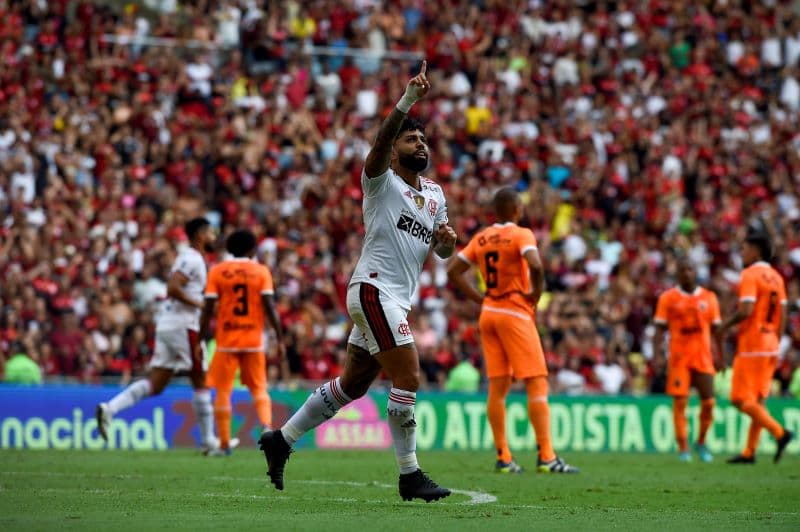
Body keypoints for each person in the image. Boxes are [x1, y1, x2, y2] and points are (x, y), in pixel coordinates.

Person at [259, 61, 457, 502]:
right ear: (393, 150)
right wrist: (406, 102)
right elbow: (381, 141)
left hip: (393, 299)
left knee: (352, 384)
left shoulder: (437, 195)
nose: (419, 142)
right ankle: (410, 475)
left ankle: (282, 439)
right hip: (373, 288)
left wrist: (446, 241)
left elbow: (442, 251)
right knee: (408, 375)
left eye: (422, 137)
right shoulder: (380, 182)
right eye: (411, 137)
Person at [447, 187, 578, 474]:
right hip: (514, 311)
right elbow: (536, 265)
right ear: (517, 209)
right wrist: (535, 293)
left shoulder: (481, 237)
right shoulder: (522, 234)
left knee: (498, 387)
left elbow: (453, 271)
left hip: (489, 313)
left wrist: (480, 299)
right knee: (536, 382)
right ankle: (546, 456)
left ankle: (504, 457)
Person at [96, 218, 221, 453]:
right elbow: (173, 288)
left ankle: (110, 409)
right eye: (210, 233)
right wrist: (200, 304)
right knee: (200, 379)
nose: (214, 237)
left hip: (168, 324)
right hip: (184, 326)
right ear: (200, 235)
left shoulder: (191, 258)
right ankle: (209, 442)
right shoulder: (193, 258)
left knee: (156, 384)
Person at [198, 229, 285, 456]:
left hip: (226, 341)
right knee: (259, 388)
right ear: (252, 249)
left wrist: (199, 335)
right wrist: (279, 336)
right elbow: (269, 307)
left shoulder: (218, 271)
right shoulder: (261, 272)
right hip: (253, 340)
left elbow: (208, 308)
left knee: (223, 391)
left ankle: (225, 444)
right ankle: (266, 427)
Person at [720, 227, 794, 464]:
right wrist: (776, 341)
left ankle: (780, 433)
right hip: (772, 344)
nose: (741, 252)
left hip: (752, 344)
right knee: (757, 401)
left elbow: (746, 310)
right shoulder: (777, 277)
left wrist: (724, 325)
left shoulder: (750, 275)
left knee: (739, 399)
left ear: (755, 250)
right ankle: (749, 452)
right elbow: (783, 315)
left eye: (743, 248)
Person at [653, 258, 723, 462]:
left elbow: (717, 331)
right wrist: (657, 355)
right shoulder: (668, 298)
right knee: (680, 402)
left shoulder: (709, 298)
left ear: (696, 272)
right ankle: (683, 446)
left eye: (690, 268)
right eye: (683, 269)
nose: (687, 273)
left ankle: (701, 442)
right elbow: (658, 330)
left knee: (709, 402)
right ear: (678, 274)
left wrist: (720, 356)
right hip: (679, 358)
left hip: (703, 357)